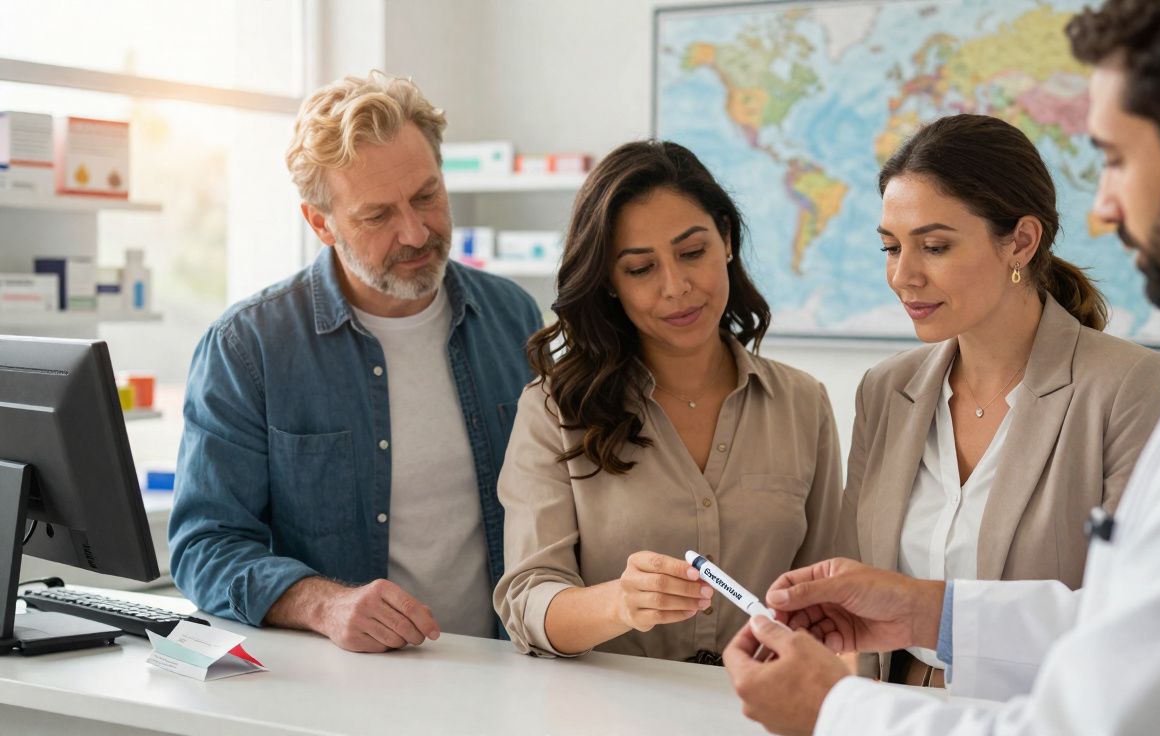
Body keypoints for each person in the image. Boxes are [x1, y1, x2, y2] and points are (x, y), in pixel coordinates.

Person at [723, 1, 1160, 732]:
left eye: (1118, 158)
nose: (1103, 204)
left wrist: (832, 710)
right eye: (890, 246)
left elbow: (1107, 716)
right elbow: (1123, 622)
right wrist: (920, 609)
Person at [169, 72, 541, 652]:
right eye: (377, 216)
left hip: (505, 672)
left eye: (427, 196)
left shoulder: (512, 317)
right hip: (344, 691)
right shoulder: (249, 348)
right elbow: (205, 546)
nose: (416, 232)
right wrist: (323, 603)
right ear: (321, 223)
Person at [840, 113, 1160, 687]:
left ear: (1021, 241)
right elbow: (856, 591)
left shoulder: (1129, 387)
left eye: (936, 246)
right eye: (891, 248)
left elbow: (1141, 616)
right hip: (891, 711)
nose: (904, 276)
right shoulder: (885, 390)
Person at [493, 140, 842, 664]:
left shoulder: (803, 404)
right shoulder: (554, 411)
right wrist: (619, 603)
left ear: (726, 239)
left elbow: (826, 595)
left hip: (760, 711)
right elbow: (527, 601)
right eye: (640, 269)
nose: (676, 287)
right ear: (610, 282)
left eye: (692, 253)